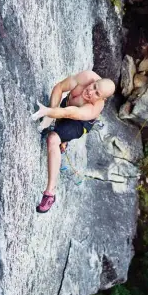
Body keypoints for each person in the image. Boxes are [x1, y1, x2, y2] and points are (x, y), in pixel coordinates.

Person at [31, 70, 115, 213]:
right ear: (95, 81)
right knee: (56, 121)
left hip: (80, 123)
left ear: (102, 100)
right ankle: (62, 139)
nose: (91, 92)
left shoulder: (92, 109)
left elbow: (68, 113)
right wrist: (51, 111)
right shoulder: (87, 77)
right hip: (68, 105)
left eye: (97, 94)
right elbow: (59, 87)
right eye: (94, 87)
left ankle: (50, 193)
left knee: (52, 139)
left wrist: (47, 112)